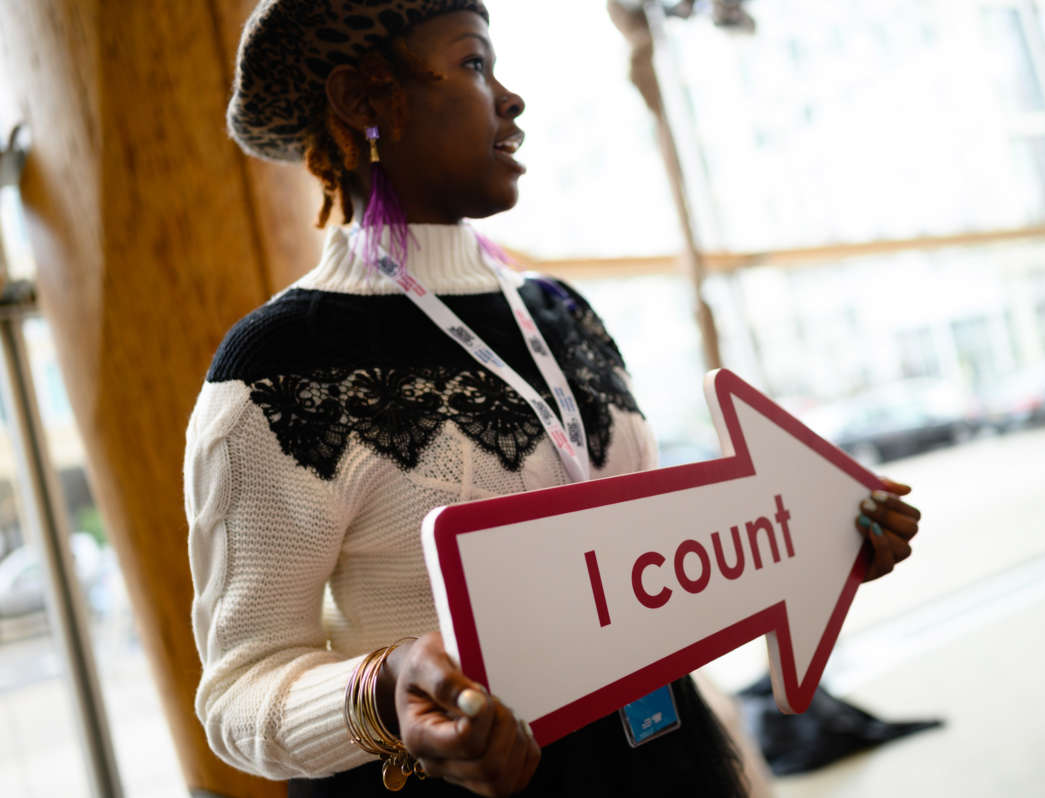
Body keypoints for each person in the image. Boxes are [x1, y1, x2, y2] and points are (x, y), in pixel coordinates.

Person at [184, 2, 922, 796]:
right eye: (473, 64)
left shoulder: (562, 311)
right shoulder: (280, 366)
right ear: (364, 104)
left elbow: (654, 565)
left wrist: (814, 543)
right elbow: (238, 691)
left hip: (670, 761)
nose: (511, 98)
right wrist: (387, 689)